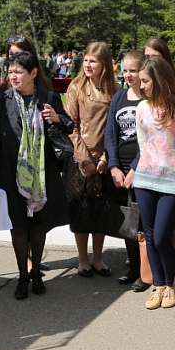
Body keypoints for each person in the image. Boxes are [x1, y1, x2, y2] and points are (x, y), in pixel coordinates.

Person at [0, 38, 71, 300]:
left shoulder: (48, 97)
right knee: (19, 226)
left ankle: (35, 275)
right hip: (12, 172)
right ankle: (23, 274)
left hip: (43, 172)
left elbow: (68, 125)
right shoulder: (4, 99)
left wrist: (57, 118)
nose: (13, 76)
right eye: (10, 72)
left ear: (33, 74)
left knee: (39, 225)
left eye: (18, 72)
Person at [131, 56, 175, 310]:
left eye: (146, 80)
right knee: (149, 236)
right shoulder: (142, 108)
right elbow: (141, 143)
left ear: (158, 80)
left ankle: (171, 284)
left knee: (161, 237)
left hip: (173, 181)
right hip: (145, 178)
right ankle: (158, 286)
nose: (142, 85)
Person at [65, 42, 117, 277]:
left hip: (104, 157)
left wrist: (106, 157)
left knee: (101, 209)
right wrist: (84, 159)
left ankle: (98, 258)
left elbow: (115, 127)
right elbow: (70, 126)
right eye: (86, 59)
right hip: (80, 159)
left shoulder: (115, 89)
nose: (87, 64)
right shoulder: (76, 87)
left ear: (104, 63)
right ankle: (82, 259)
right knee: (80, 210)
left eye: (93, 60)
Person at [104, 50, 147, 292]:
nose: (128, 75)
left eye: (133, 70)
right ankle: (133, 268)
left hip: (143, 169)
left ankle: (146, 270)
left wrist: (134, 169)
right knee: (127, 223)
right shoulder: (119, 97)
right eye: (125, 69)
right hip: (120, 170)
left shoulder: (149, 98)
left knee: (143, 223)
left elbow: (151, 138)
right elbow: (110, 133)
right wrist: (113, 166)